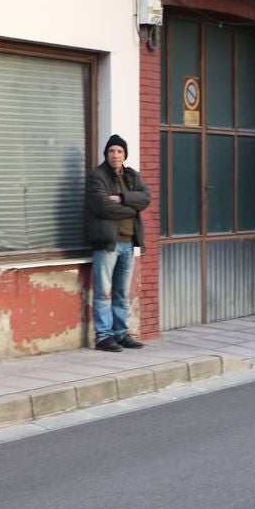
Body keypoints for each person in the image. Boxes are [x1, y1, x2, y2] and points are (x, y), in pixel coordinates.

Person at [86, 134, 150, 352]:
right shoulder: (97, 176)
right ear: (107, 154)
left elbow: (146, 198)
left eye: (119, 151)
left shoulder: (132, 175)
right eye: (112, 151)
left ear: (125, 155)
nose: (115, 155)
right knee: (103, 292)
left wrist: (122, 198)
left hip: (128, 243)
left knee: (122, 293)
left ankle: (121, 334)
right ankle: (103, 337)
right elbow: (102, 207)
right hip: (107, 244)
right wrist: (133, 206)